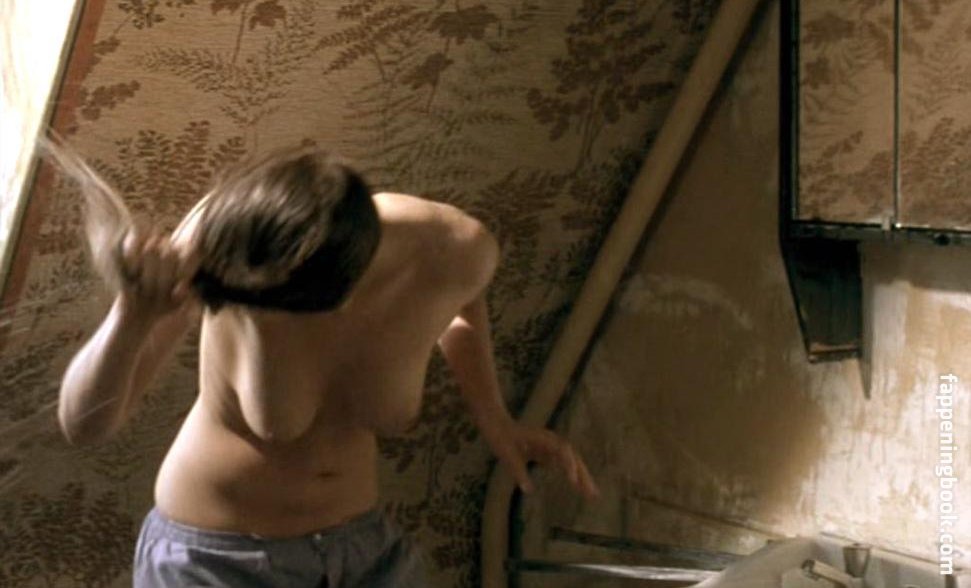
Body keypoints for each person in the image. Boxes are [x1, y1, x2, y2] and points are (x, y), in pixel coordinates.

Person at [56, 146, 599, 587]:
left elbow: (460, 301)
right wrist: (131, 316)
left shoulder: (449, 247)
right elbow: (83, 426)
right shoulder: (227, 239)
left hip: (363, 556)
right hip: (214, 563)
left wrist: (497, 420)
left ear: (345, 292)